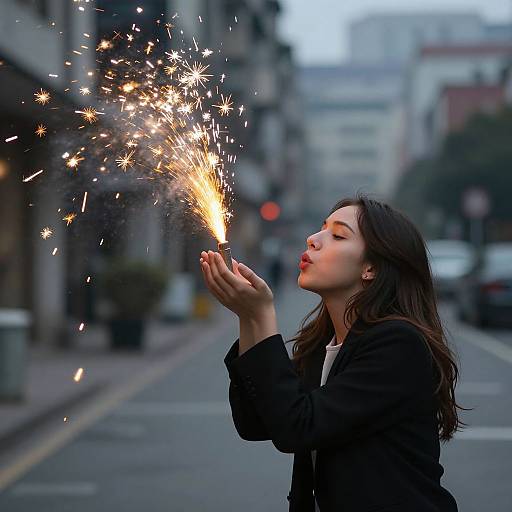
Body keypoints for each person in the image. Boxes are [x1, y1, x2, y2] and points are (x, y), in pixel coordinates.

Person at [199, 194, 463, 512]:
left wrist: (264, 314)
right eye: (322, 228)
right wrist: (248, 317)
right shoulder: (322, 344)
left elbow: (297, 428)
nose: (313, 239)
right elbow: (255, 424)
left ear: (371, 268)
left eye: (338, 235)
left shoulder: (399, 344)